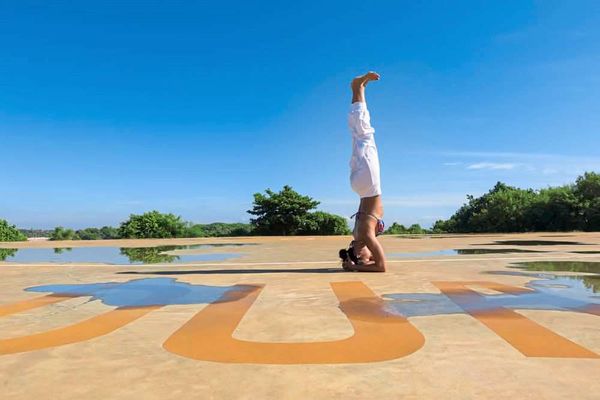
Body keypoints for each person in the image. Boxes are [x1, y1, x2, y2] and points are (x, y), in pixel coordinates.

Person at [340, 71, 386, 272]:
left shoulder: (365, 234)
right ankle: (359, 90)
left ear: (359, 252)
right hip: (359, 186)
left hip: (367, 186)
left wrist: (357, 266)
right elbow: (367, 257)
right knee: (359, 136)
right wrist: (355, 261)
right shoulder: (357, 234)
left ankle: (357, 87)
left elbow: (381, 267)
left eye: (366, 256)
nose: (371, 255)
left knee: (365, 135)